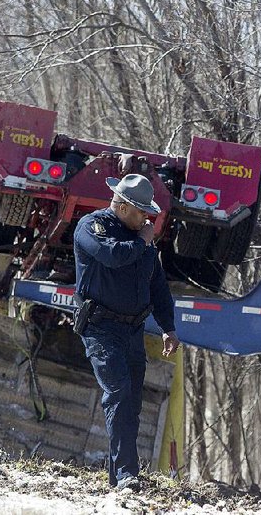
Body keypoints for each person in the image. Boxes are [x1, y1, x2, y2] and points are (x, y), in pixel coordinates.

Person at [73, 173, 180, 492]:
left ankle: (119, 477)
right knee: (118, 393)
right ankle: (126, 475)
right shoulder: (93, 228)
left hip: (132, 331)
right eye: (142, 211)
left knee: (130, 404)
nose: (148, 218)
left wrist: (169, 327)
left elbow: (158, 286)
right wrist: (144, 240)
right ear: (122, 207)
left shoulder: (142, 242)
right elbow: (113, 256)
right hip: (100, 328)